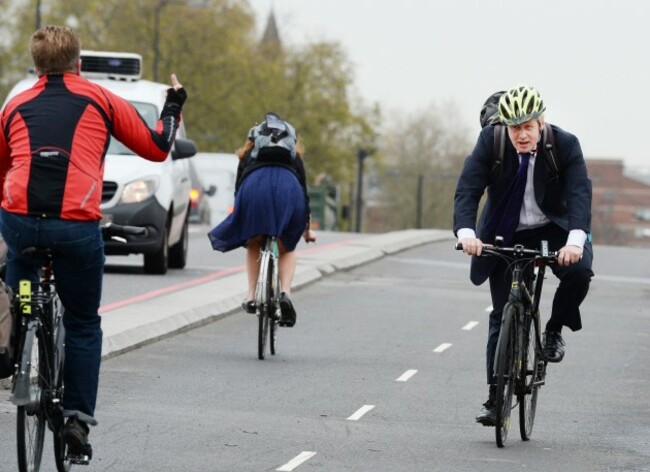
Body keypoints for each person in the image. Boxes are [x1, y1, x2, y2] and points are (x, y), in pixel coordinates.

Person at [0, 25, 187, 459]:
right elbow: (158, 148)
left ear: (36, 66)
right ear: (77, 63)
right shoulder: (101, 99)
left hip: (21, 222)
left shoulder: (14, 106)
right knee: (83, 322)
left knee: (18, 273)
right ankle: (77, 422)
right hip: (76, 225)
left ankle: (15, 326)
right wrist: (173, 105)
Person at [453, 85, 594, 427]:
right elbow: (468, 189)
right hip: (505, 228)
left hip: (554, 227)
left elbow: (579, 195)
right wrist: (467, 234)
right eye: (515, 127)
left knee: (580, 273)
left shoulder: (565, 145)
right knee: (502, 314)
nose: (521, 134)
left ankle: (553, 330)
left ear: (541, 123)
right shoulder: (492, 142)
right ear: (505, 125)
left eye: (528, 126)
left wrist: (574, 242)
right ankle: (494, 397)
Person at [208, 113, 316, 327]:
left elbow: (239, 188)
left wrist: (242, 213)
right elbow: (303, 192)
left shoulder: (249, 153)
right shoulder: (293, 156)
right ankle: (285, 293)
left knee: (254, 241)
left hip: (254, 188)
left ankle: (251, 296)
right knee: (287, 248)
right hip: (288, 188)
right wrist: (306, 228)